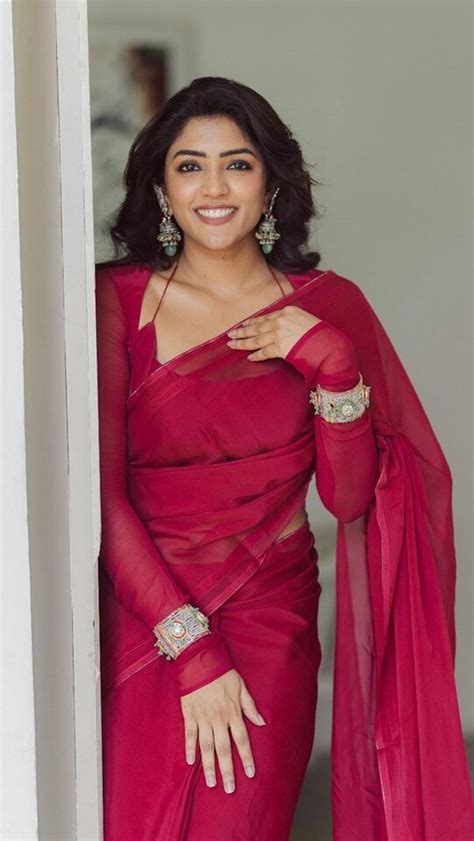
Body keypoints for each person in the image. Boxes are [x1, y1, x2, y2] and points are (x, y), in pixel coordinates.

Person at [95, 76, 473, 841]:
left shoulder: (330, 307)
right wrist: (192, 649)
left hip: (269, 628)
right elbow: (101, 499)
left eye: (236, 164)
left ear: (270, 183)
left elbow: (350, 498)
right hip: (146, 623)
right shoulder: (115, 301)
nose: (213, 187)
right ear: (161, 188)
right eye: (189, 165)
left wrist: (333, 364)